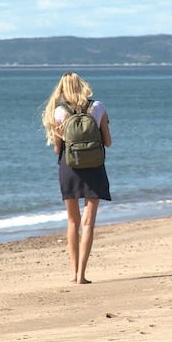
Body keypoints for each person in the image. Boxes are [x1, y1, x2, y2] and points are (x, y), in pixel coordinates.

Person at [41, 72, 112, 284]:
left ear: (62, 89)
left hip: (69, 167)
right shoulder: (97, 107)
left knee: (73, 221)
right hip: (95, 167)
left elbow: (57, 149)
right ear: (82, 86)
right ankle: (82, 275)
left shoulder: (59, 112)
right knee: (88, 223)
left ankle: (73, 274)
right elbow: (107, 142)